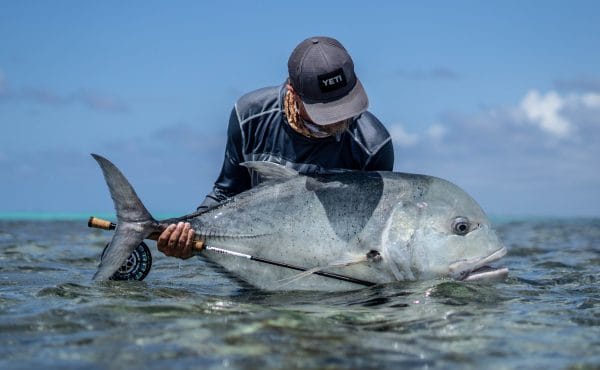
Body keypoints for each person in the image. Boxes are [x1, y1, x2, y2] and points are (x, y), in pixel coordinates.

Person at [157, 36, 394, 259]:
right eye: (328, 111)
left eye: (346, 104)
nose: (341, 120)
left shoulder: (373, 145)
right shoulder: (249, 116)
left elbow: (373, 230)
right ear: (293, 93)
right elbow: (226, 193)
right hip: (259, 262)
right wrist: (187, 232)